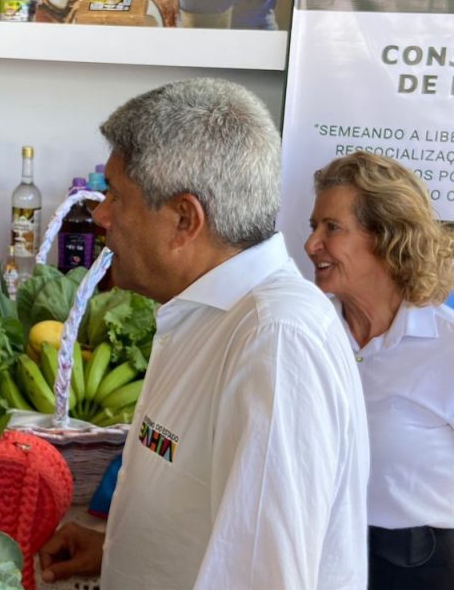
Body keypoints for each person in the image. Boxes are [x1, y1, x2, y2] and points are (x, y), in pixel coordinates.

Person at [38, 78, 370, 589]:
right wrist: (120, 548)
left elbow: (264, 578)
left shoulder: (274, 340)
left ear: (184, 220)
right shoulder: (203, 312)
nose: (101, 215)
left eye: (117, 197)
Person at [303, 152, 454, 590]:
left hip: (413, 569)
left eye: (331, 228)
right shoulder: (304, 335)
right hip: (312, 555)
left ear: (384, 236)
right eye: (313, 226)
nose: (311, 244)